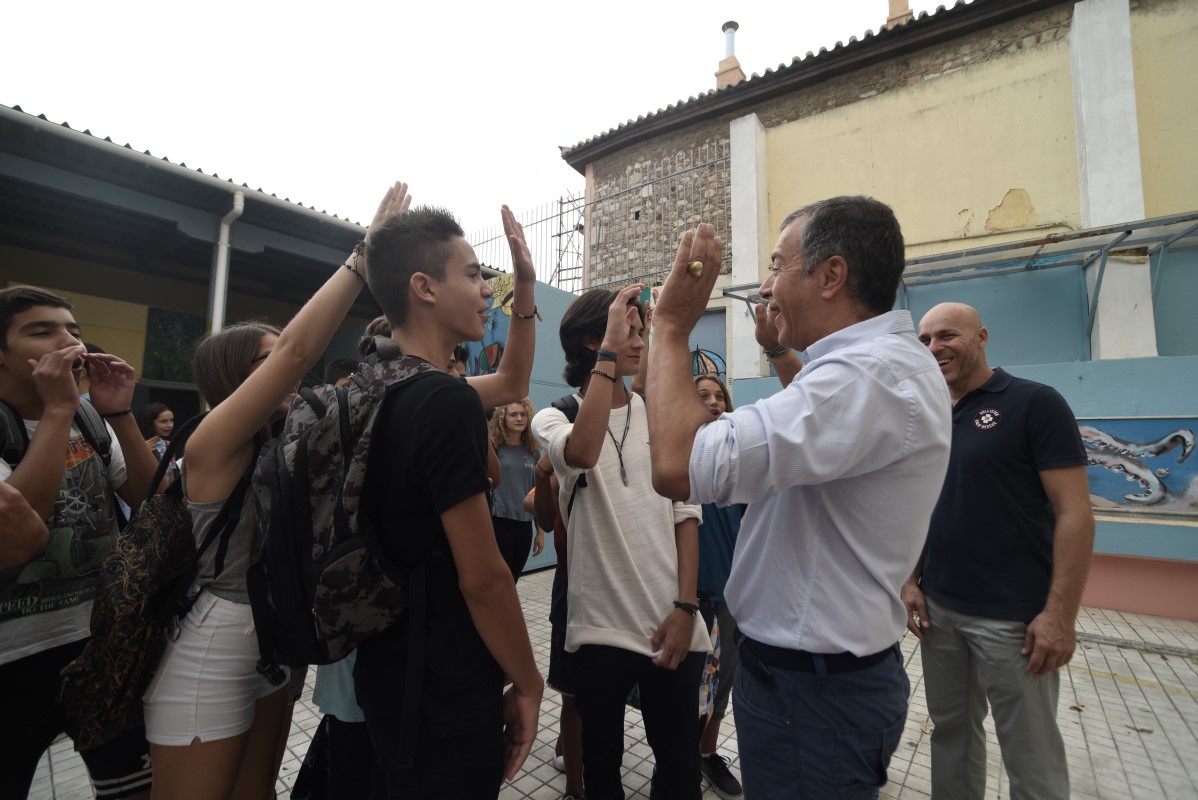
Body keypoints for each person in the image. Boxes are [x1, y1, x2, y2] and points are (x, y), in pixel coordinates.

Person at [646, 197, 953, 799]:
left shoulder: (865, 376)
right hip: (812, 688)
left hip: (812, 700)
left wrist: (672, 326)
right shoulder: (871, 370)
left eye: (776, 265)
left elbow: (677, 466)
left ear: (831, 275)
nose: (765, 287)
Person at [140, 182, 411, 800]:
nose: (287, 368)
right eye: (262, 362)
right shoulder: (209, 442)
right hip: (214, 648)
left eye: (276, 357)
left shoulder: (293, 441)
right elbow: (296, 350)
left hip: (275, 644)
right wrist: (363, 256)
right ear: (233, 377)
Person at [355, 202, 543, 798]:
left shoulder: (376, 386)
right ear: (425, 287)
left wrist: (526, 288)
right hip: (443, 684)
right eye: (473, 274)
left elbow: (512, 383)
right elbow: (483, 579)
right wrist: (528, 680)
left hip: (387, 669)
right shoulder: (444, 401)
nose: (488, 289)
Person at [903, 302, 1094, 800]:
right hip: (940, 610)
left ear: (982, 337)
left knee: (1030, 755)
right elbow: (924, 505)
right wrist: (910, 580)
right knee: (951, 735)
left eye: (947, 335)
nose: (934, 348)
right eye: (924, 340)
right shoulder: (928, 413)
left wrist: (1060, 616)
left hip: (1015, 620)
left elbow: (1074, 513)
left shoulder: (1034, 403)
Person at [531, 286, 710, 800]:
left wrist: (686, 607)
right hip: (599, 630)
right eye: (631, 331)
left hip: (670, 625)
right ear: (594, 341)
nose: (639, 341)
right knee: (602, 769)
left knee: (679, 768)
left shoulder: (659, 416)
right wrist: (612, 353)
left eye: (640, 331)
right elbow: (583, 452)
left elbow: (686, 514)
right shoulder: (555, 418)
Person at [0, 285, 159, 800]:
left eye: (73, 330)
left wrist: (119, 414)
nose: (68, 342)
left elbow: (149, 500)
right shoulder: (49, 414)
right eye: (41, 331)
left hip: (101, 642)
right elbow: (16, 537)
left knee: (133, 787)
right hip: (13, 658)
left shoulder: (90, 420)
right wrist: (56, 412)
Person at [689, 373, 744, 800]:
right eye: (702, 396)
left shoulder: (741, 461)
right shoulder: (672, 457)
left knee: (722, 684)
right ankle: (678, 757)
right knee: (684, 687)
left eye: (719, 396)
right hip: (686, 596)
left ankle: (707, 754)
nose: (713, 402)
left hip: (730, 595)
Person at [488, 398, 542, 579]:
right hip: (499, 522)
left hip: (524, 524)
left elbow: (538, 492)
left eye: (523, 414)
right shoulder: (494, 448)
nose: (519, 418)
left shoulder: (533, 451)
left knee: (513, 578)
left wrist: (540, 532)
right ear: (502, 418)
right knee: (500, 580)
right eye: (513, 415)